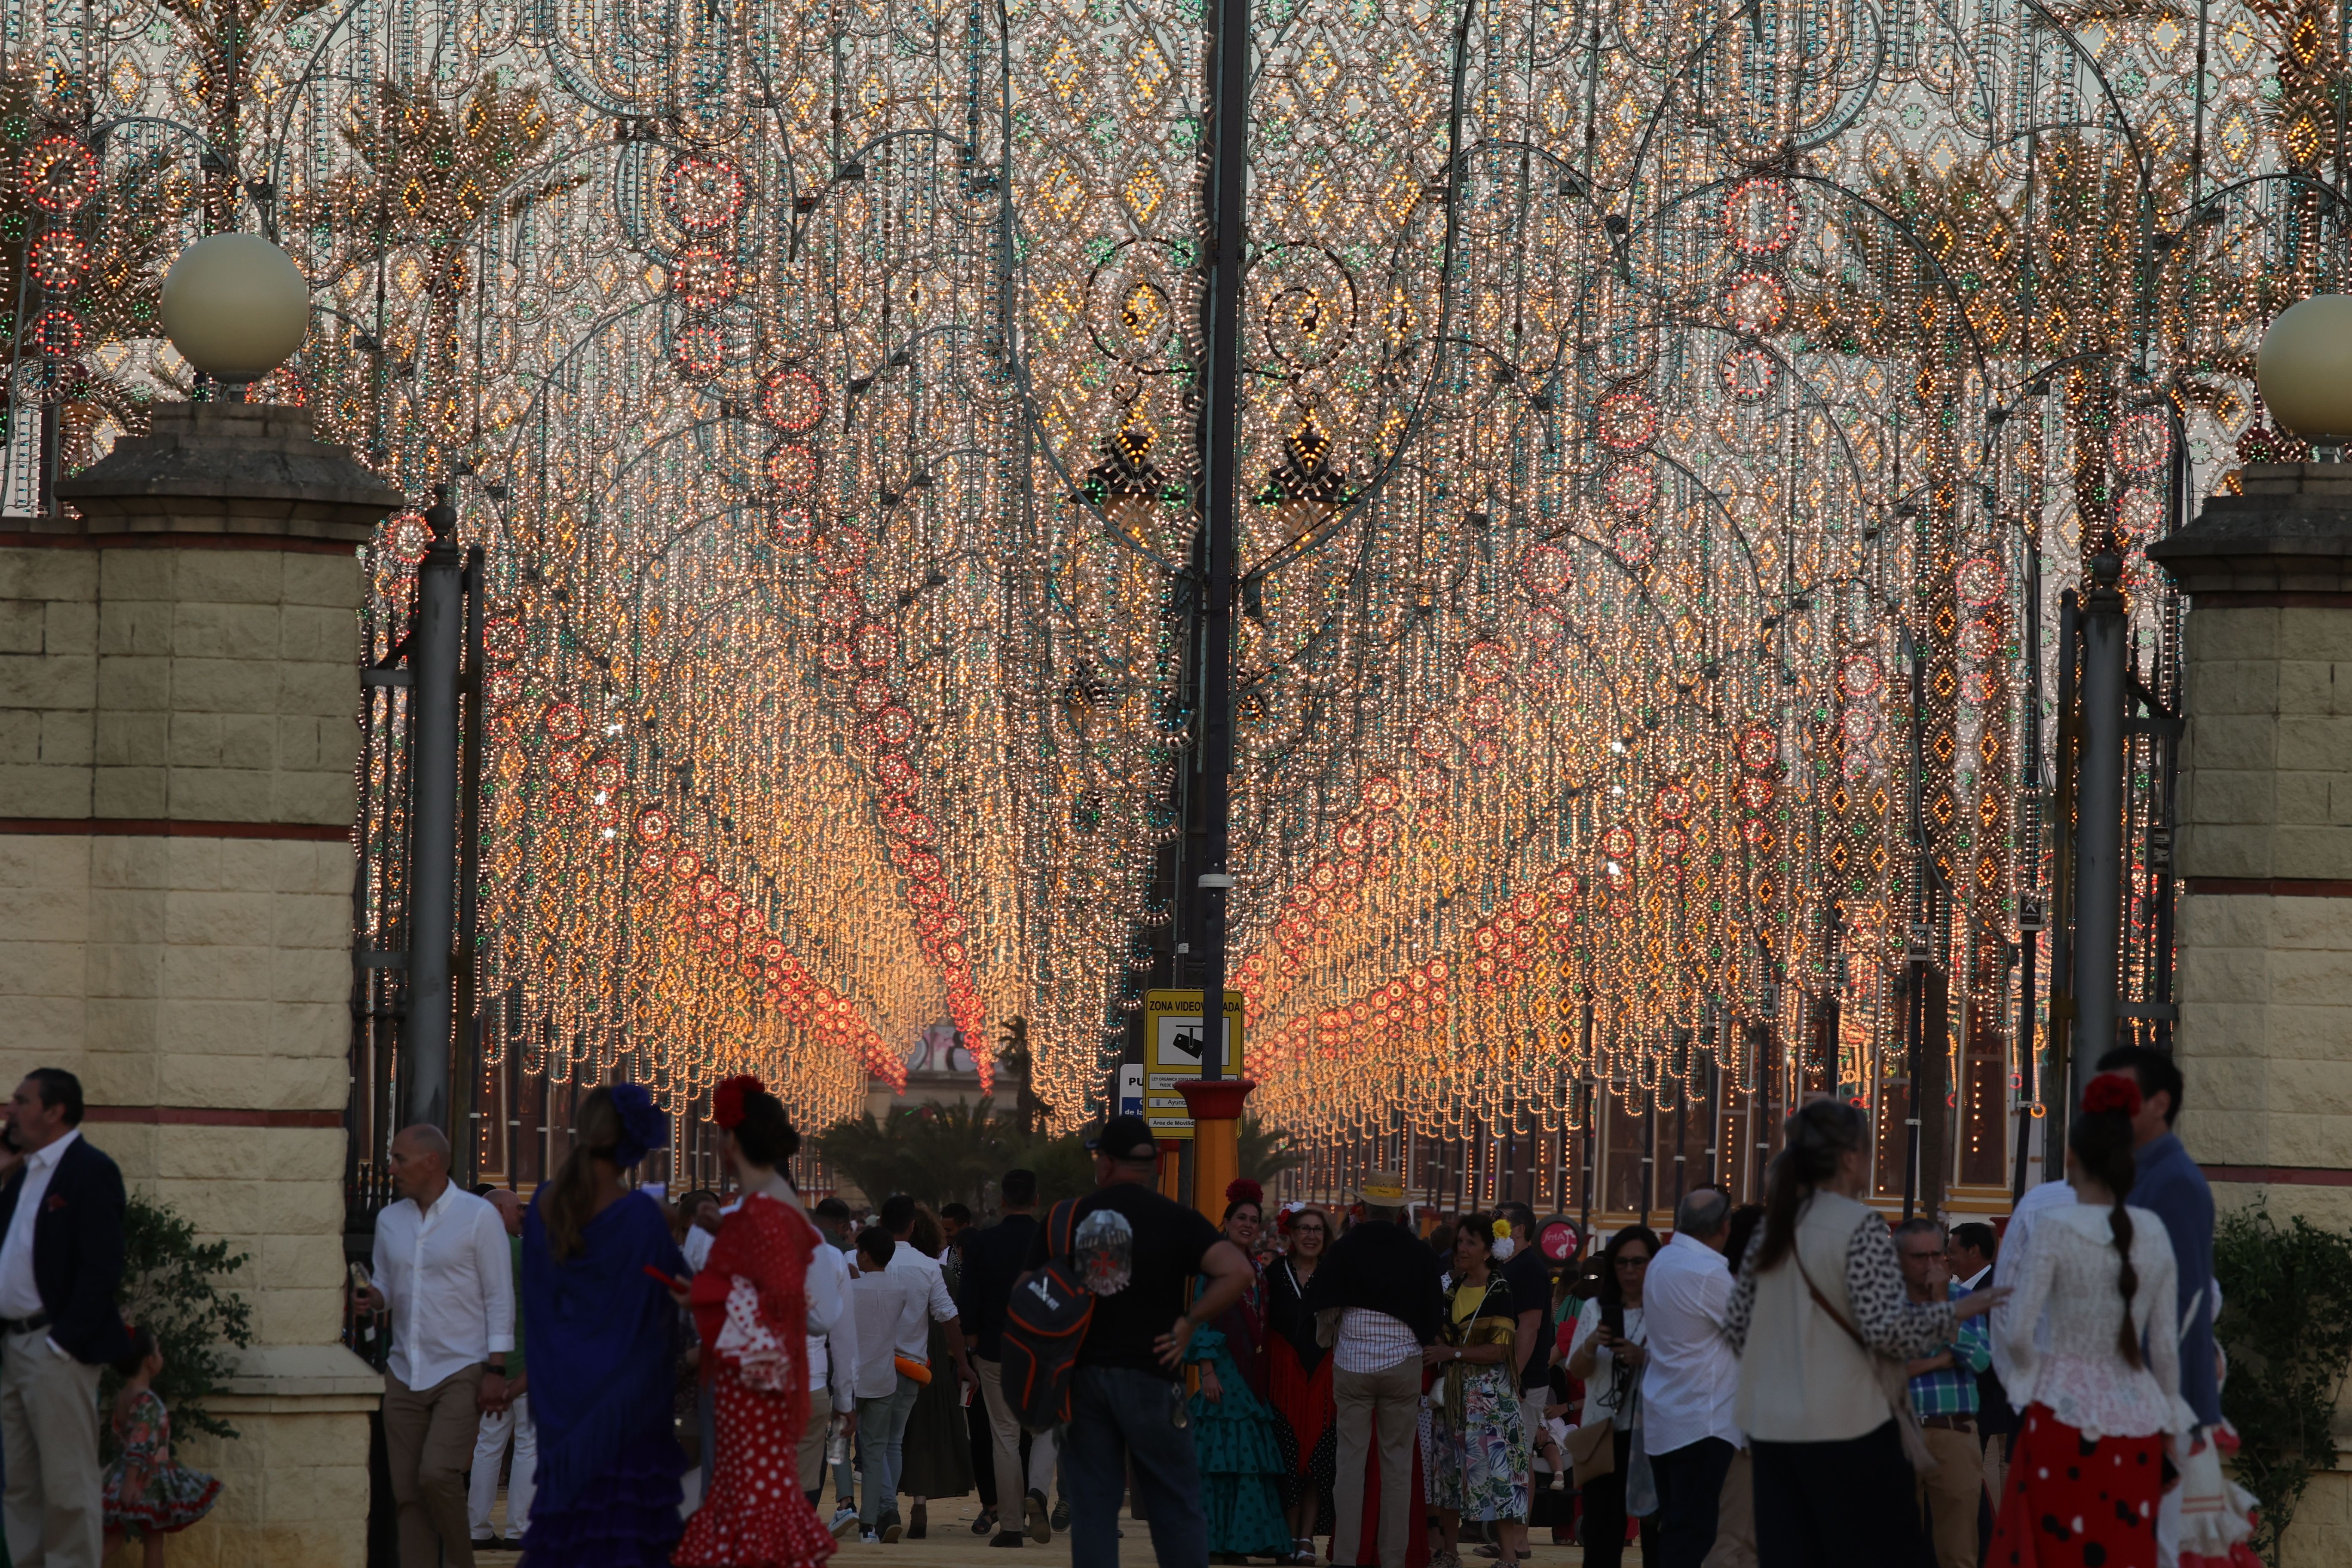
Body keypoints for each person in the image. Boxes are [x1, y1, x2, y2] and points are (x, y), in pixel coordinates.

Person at [1724, 1100, 2002, 1568]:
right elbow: (1888, 1330)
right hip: (1842, 1425)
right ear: (1851, 1156)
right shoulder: (1859, 1225)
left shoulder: (1774, 1229)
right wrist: (1956, 1313)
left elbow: (1736, 1327)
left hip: (1769, 1425)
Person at [1024, 1115, 1253, 1568]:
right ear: (1152, 1166)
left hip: (1083, 1382)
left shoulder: (1066, 1218)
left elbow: (1026, 1293)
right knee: (1177, 1506)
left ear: (1105, 1163)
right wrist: (1188, 1323)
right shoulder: (1177, 1221)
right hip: (1153, 1377)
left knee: (1093, 1510)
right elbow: (1238, 1272)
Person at [1989, 1072, 2184, 1568]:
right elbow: (2164, 1350)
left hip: (2059, 1416)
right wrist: (2170, 1426)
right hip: (2138, 1422)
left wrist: (2034, 1381)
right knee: (2126, 1552)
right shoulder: (2156, 1230)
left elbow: (2016, 1330)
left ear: (2072, 1158)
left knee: (2054, 1554)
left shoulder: (2053, 1226)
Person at [515, 1085, 687, 1565]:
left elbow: (538, 1300)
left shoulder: (548, 1203)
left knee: (567, 1536)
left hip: (562, 1403)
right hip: (625, 1408)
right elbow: (679, 1292)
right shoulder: (642, 1219)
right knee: (623, 1538)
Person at [674, 1075, 840, 1568]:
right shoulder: (772, 1209)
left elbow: (780, 1299)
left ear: (730, 1143)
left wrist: (707, 1297)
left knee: (748, 1513)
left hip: (751, 1391)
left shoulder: (765, 1211)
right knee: (751, 1512)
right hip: (758, 1390)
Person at [0, 1069, 133, 1568]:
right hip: (15, 1346)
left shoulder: (88, 1169)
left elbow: (103, 1265)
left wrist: (64, 1343)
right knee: (22, 1485)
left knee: (68, 1485)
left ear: (54, 1111)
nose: (11, 1109)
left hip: (56, 1348)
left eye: (22, 1101)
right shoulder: (25, 1172)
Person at [366, 1122, 514, 1568]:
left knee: (437, 1473)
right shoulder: (389, 1220)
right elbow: (385, 1289)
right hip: (404, 1370)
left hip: (462, 1367)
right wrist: (368, 1298)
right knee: (407, 1491)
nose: (391, 1168)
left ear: (432, 1162)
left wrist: (496, 1370)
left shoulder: (478, 1216)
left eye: (399, 1159)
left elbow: (498, 1295)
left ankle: (460, 1562)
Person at [2096, 1042, 2219, 1568]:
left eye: (2118, 1096)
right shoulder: (2135, 1175)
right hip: (2122, 1395)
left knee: (2151, 1548)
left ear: (2159, 1103)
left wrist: (2151, 1398)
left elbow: (2184, 1300)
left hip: (2149, 1401)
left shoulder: (2173, 1181)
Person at [1300, 1169, 1442, 1568]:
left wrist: (1330, 1337)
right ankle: (1393, 1558)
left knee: (1350, 1464)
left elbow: (1324, 1307)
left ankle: (1346, 1557)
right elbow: (1434, 1313)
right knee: (1397, 1464)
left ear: (1362, 1208)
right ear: (1400, 1211)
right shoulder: (1420, 1253)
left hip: (1353, 1364)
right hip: (1402, 1364)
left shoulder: (1344, 1248)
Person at [1187, 1180, 1290, 1564]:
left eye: (1254, 1220)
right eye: (1241, 1219)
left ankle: (1238, 1540)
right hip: (1225, 1368)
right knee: (1227, 1455)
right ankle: (1218, 1541)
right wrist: (1208, 1371)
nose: (1248, 1225)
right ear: (1227, 1221)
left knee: (1242, 1459)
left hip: (1252, 1370)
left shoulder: (1255, 1267)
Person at [1643, 1189, 1741, 1568]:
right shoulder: (1708, 1272)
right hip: (1703, 1419)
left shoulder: (1664, 1261)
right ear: (1724, 1227)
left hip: (1667, 1415)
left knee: (1679, 1527)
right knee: (1694, 1533)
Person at [1427, 1217, 1532, 1568]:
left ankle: (1507, 1555)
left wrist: (1451, 1353)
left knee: (1498, 1474)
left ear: (1489, 1251)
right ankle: (1450, 1552)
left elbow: (1501, 1350)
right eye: (1460, 1241)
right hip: (1456, 1398)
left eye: (1470, 1242)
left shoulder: (1499, 1291)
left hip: (1488, 1399)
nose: (1461, 1248)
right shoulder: (1453, 1290)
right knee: (1449, 1474)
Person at [961, 1167, 1057, 1547]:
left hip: (996, 1350)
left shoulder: (983, 1244)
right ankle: (1037, 1491)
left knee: (1005, 1437)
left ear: (1002, 1201)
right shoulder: (1051, 1242)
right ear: (1036, 1200)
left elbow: (969, 1299)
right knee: (1047, 1428)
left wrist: (971, 1344)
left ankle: (1012, 1526)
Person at [1893, 1218, 1988, 1568]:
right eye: (1919, 1257)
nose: (1931, 1264)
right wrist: (1944, 1358)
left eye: (1938, 1255)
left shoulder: (1966, 1301)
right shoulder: (1882, 1303)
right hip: (1895, 1434)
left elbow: (1979, 1361)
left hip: (1954, 1432)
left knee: (1958, 1551)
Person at [1565, 1225, 1660, 1568]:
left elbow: (1684, 1368)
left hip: (1652, 1435)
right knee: (1602, 1535)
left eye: (1639, 1262)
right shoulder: (1595, 1308)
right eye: (1622, 1263)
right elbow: (1577, 1370)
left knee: (1656, 1535)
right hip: (1603, 1433)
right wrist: (1592, 1344)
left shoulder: (1664, 1309)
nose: (1630, 1271)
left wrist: (1644, 1358)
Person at [98, 1326, 218, 1566]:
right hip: (146, 1479)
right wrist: (132, 1481)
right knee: (152, 1541)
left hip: (122, 1476)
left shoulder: (124, 1396)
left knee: (114, 1538)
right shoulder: (146, 1400)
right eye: (159, 1351)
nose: (161, 1356)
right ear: (149, 1360)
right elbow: (139, 1442)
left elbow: (119, 1439)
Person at [894, 1203, 974, 1534]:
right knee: (925, 1432)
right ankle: (920, 1505)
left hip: (890, 1354)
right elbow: (951, 1318)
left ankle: (882, 1505)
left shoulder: (874, 1265)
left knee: (890, 1436)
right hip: (932, 1358)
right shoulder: (938, 1270)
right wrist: (964, 1363)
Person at [1264, 1204, 1336, 1567]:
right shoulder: (1274, 1273)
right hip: (1283, 1380)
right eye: (1304, 1229)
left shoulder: (1335, 1274)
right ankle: (1287, 1536)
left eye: (1317, 1230)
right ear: (1291, 1235)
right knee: (1288, 1458)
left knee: (1318, 1461)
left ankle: (1307, 1538)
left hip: (1325, 1377)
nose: (1311, 1235)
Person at [467, 1188, 535, 1550]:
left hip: (489, 1361)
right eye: (516, 1209)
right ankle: (519, 1527)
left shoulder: (473, 1250)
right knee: (528, 1444)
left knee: (488, 1445)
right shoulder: (521, 1251)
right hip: (525, 1360)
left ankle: (476, 1526)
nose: (521, 1215)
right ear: (497, 1210)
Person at [849, 1228, 919, 1541]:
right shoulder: (900, 1290)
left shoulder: (850, 1290)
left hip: (850, 1380)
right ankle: (868, 1525)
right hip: (883, 1379)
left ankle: (845, 1506)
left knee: (840, 1444)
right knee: (876, 1453)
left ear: (864, 1254)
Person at [1945, 1221, 2009, 1540]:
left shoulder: (1987, 1293)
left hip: (1987, 1398)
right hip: (1992, 1401)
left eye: (1952, 1250)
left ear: (1974, 1251)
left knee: (1983, 1471)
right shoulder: (1980, 1288)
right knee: (1992, 1468)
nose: (1947, 1258)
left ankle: (1991, 1537)